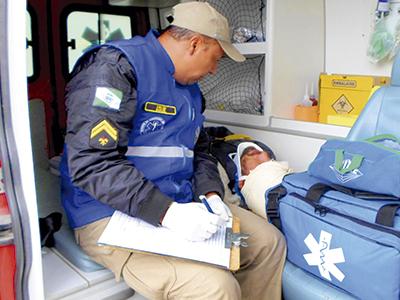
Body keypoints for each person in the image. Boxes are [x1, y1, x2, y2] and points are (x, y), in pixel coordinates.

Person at [60, 2, 286, 299]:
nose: (214, 69)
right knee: (216, 288)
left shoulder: (191, 91)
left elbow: (199, 148)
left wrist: (211, 193)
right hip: (111, 215)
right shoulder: (114, 68)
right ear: (195, 43)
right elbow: (92, 163)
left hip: (181, 202)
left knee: (269, 244)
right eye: (215, 58)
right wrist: (168, 214)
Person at [235, 142, 292, 219]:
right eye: (244, 159)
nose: (252, 150)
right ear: (242, 183)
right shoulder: (248, 186)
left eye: (260, 152)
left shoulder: (283, 169)